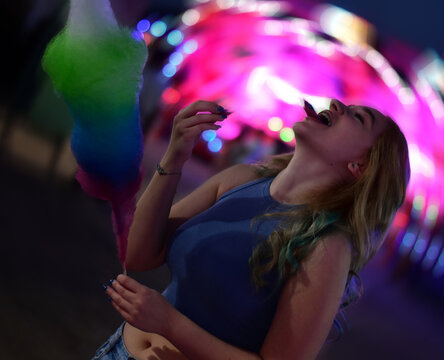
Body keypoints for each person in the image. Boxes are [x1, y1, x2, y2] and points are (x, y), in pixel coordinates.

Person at [95, 98, 410, 360]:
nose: (337, 104)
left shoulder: (327, 246)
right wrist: (174, 158)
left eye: (358, 118)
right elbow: (138, 255)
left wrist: (169, 323)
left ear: (360, 166)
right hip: (116, 351)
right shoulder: (243, 179)